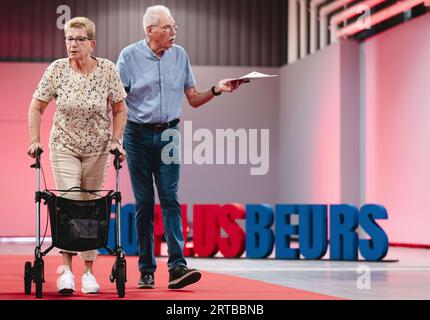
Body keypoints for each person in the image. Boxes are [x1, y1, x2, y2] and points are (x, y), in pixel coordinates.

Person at [117, 5, 245, 290]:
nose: (174, 32)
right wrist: (116, 139)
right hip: (136, 136)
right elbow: (117, 103)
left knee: (171, 198)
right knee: (144, 204)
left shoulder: (180, 55)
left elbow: (193, 98)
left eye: (175, 26)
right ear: (150, 30)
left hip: (169, 134)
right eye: (167, 27)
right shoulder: (128, 57)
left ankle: (177, 267)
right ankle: (146, 270)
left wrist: (216, 89)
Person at [27, 17, 127, 295]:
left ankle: (89, 273)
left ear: (92, 43)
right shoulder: (57, 70)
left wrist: (116, 141)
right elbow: (36, 107)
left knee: (92, 208)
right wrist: (34, 140)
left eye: (79, 39)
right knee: (70, 204)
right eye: (69, 39)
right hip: (64, 146)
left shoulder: (107, 70)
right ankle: (67, 271)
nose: (72, 44)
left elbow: (120, 110)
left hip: (98, 149)